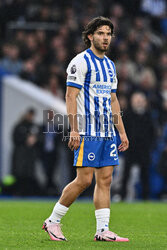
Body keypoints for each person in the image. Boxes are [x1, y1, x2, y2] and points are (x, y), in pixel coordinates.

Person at [42, 16, 129, 242]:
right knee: (84, 180)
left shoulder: (110, 65)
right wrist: (74, 129)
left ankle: (102, 231)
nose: (105, 37)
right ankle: (53, 221)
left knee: (106, 179)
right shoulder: (80, 62)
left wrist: (121, 131)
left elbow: (113, 100)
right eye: (100, 33)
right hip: (87, 129)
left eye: (108, 34)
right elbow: (70, 96)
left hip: (106, 131)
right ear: (90, 36)